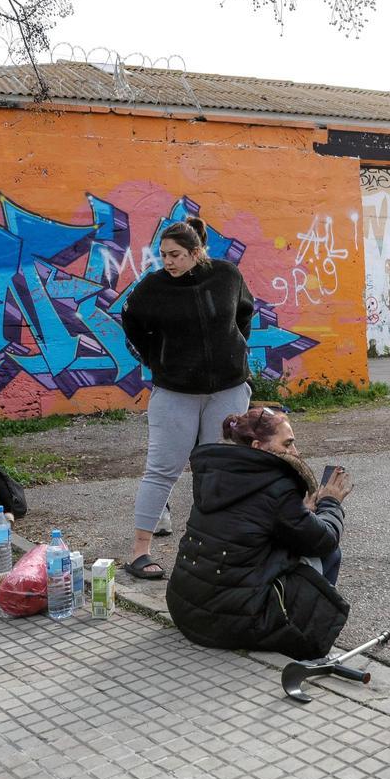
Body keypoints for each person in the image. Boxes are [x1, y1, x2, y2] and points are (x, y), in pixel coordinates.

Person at [119, 217, 255, 579]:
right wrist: (156, 358)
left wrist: (235, 348)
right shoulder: (154, 288)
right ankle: (140, 552)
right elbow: (130, 321)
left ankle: (211, 549)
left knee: (217, 470)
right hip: (175, 392)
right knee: (162, 470)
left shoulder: (227, 276)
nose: (168, 262)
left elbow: (244, 314)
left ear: (197, 253)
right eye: (163, 255)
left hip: (227, 390)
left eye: (176, 255)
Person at [165, 406, 354, 660]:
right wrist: (330, 503)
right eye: (287, 444)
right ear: (258, 446)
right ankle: (307, 632)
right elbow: (324, 540)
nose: (295, 453)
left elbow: (251, 525)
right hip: (232, 624)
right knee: (330, 553)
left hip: (186, 611)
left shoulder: (216, 474)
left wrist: (301, 512)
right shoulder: (277, 486)